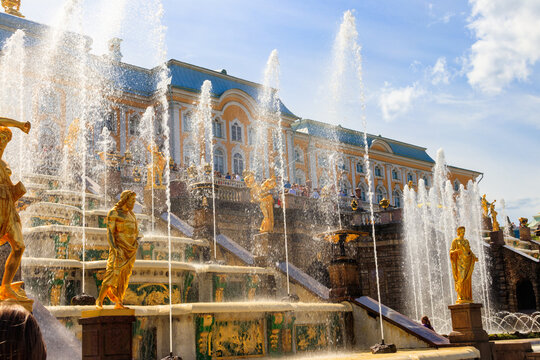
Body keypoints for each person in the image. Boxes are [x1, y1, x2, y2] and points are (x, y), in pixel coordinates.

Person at [0, 118, 31, 301]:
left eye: (5, 139)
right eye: (0, 138)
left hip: (8, 209)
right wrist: (19, 125)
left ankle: (5, 286)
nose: (2, 142)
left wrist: (17, 190)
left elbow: (9, 188)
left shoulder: (4, 165)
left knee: (19, 246)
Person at [96, 190, 139, 309]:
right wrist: (114, 249)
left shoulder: (132, 214)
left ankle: (119, 301)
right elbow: (110, 233)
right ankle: (99, 300)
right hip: (119, 248)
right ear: (125, 200)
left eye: (134, 201)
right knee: (112, 274)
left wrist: (136, 240)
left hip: (130, 250)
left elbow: (135, 231)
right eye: (132, 200)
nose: (134, 203)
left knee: (124, 277)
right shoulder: (114, 213)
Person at [450, 226, 478, 304]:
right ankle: (460, 295)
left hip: (467, 261)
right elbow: (451, 251)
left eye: (464, 231)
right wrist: (456, 251)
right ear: (458, 232)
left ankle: (466, 296)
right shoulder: (455, 241)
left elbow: (469, 250)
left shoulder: (466, 241)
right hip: (459, 263)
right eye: (461, 231)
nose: (463, 232)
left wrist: (474, 256)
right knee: (461, 279)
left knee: (467, 279)